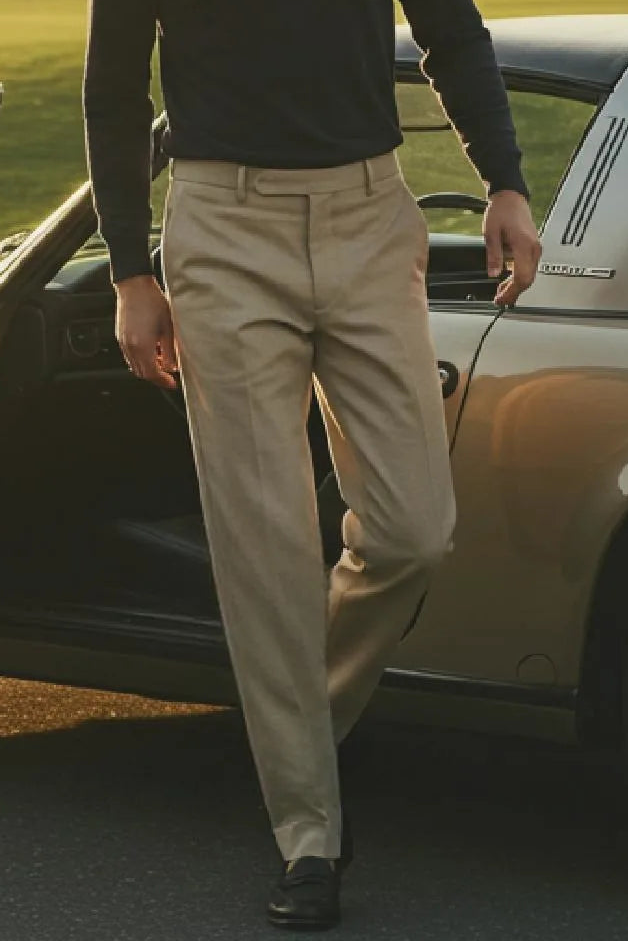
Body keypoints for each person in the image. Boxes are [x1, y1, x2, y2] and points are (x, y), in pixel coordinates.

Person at [83, 0, 541, 930]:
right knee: (269, 546)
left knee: (416, 529)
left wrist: (506, 182)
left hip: (370, 216)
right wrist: (133, 271)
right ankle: (308, 835)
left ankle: (296, 731)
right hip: (222, 227)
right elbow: (114, 90)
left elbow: (454, 32)